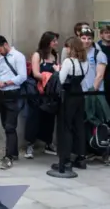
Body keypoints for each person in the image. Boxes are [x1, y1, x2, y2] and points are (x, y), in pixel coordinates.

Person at [0, 35, 27, 170]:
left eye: (0, 50)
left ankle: (9, 156)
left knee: (10, 126)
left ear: (5, 44)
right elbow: (0, 73)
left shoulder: (18, 57)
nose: (0, 53)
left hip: (13, 93)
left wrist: (5, 83)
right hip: (1, 94)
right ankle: (14, 153)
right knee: (6, 125)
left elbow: (22, 76)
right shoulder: (1, 58)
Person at [24, 31, 59, 159]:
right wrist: (48, 78)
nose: (56, 43)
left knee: (49, 118)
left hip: (50, 93)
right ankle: (30, 144)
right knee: (34, 118)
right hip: (38, 91)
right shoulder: (37, 55)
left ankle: (48, 143)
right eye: (54, 40)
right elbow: (36, 73)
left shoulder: (55, 54)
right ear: (47, 41)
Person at [55, 36, 88, 171]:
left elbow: (61, 80)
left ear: (72, 48)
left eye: (67, 47)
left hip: (68, 96)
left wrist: (57, 70)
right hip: (79, 93)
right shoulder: (85, 62)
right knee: (79, 126)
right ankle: (81, 157)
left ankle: (66, 159)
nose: (66, 49)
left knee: (66, 126)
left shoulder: (69, 62)